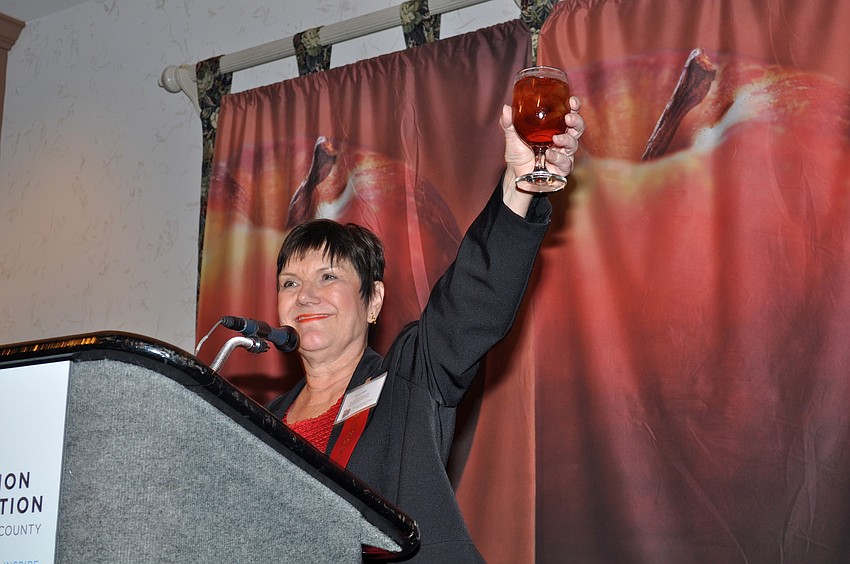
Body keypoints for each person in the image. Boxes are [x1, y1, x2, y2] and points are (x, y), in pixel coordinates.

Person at [267, 97, 585, 561]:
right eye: (290, 282)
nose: (305, 295)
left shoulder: (410, 379)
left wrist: (520, 185)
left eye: (329, 277)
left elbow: (474, 299)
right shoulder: (258, 424)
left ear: (373, 300)